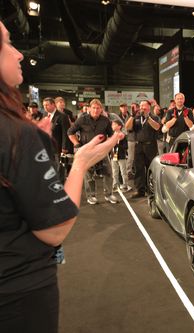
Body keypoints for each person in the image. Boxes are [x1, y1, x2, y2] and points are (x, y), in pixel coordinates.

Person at [0, 20, 122, 332]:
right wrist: (80, 163)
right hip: (18, 294)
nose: (18, 55)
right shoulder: (16, 134)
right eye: (7, 44)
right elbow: (55, 230)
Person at [67, 99, 118, 205]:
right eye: (93, 108)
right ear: (89, 108)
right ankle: (91, 196)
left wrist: (107, 145)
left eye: (98, 108)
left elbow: (111, 135)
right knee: (89, 176)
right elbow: (70, 132)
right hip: (87, 152)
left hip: (101, 151)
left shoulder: (106, 120)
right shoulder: (82, 119)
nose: (95, 110)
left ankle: (109, 194)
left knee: (108, 172)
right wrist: (76, 144)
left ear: (101, 109)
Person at [125, 100, 161, 198]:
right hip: (139, 145)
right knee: (139, 169)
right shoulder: (136, 117)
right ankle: (139, 191)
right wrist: (132, 116)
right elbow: (127, 127)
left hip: (151, 146)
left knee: (151, 168)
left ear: (149, 107)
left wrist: (147, 117)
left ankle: (151, 190)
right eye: (140, 105)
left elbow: (157, 127)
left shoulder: (154, 117)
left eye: (143, 105)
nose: (141, 107)